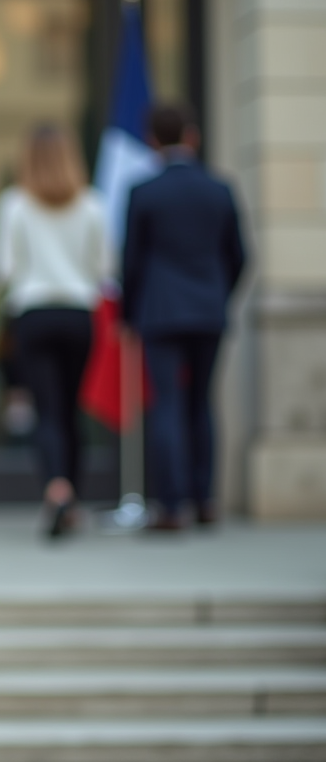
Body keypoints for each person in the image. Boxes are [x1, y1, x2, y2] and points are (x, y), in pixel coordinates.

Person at [122, 103, 246, 531]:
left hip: (159, 313)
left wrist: (129, 311)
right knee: (202, 404)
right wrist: (218, 296)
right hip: (208, 311)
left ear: (153, 141)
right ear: (192, 136)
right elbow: (239, 256)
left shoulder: (144, 191)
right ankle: (205, 499)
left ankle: (171, 506)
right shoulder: (220, 188)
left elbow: (131, 262)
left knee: (168, 406)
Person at [0, 125, 113, 538]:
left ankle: (56, 490)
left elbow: (3, 269)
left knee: (46, 410)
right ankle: (71, 498)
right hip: (79, 315)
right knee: (70, 409)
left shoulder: (15, 204)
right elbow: (105, 271)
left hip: (33, 313)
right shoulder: (92, 204)